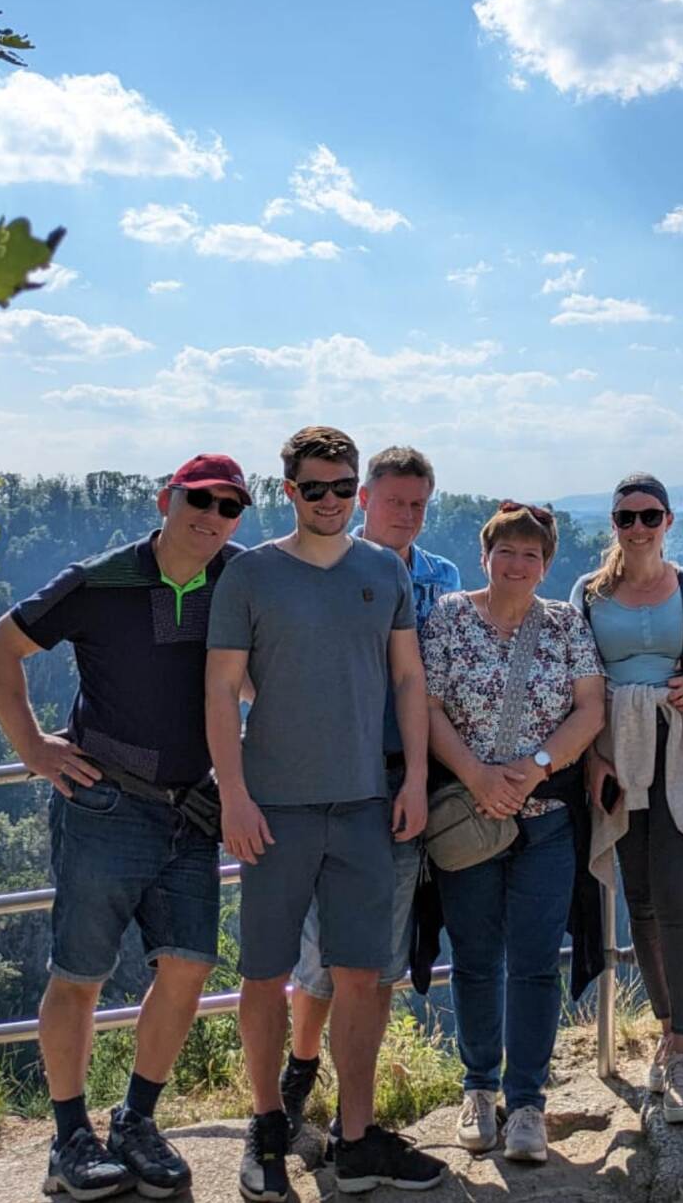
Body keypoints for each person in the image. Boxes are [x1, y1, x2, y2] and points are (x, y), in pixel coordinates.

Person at [0, 454, 251, 1200]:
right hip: (105, 802)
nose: (214, 516)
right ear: (167, 498)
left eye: (231, 507)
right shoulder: (102, 578)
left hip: (193, 807)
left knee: (189, 965)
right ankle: (69, 1139)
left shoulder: (240, 577)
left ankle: (135, 1121)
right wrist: (33, 749)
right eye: (200, 498)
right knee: (81, 974)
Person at [205, 427, 443, 1199]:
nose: (333, 501)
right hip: (273, 809)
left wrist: (412, 784)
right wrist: (234, 796)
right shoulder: (250, 577)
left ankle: (355, 1138)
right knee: (266, 975)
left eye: (344, 488)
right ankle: (269, 1125)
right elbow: (218, 692)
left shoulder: (383, 570)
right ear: (290, 493)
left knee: (361, 977)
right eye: (317, 489)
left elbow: (410, 682)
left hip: (367, 803)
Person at [280, 446, 461, 1145]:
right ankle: (300, 1075)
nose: (408, 516)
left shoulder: (441, 579)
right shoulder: (329, 568)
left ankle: (360, 1108)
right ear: (364, 502)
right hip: (329, 780)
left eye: (419, 504)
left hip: (405, 776)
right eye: (394, 503)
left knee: (382, 955)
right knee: (321, 949)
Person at [422, 501, 605, 1165]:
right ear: (485, 555)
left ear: (548, 564)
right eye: (508, 551)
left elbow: (591, 708)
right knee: (473, 958)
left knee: (532, 965)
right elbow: (429, 704)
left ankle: (527, 1101)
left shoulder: (563, 625)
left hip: (546, 817)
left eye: (532, 555)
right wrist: (477, 776)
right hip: (470, 817)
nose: (519, 564)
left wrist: (529, 771)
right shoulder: (447, 618)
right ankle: (479, 1090)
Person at [575, 473, 683, 1125]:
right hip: (615, 754)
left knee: (678, 896)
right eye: (626, 517)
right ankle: (667, 1031)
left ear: (668, 521)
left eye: (649, 515)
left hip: (679, 749)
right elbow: (571, 681)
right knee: (639, 897)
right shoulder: (587, 594)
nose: (638, 528)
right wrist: (589, 758)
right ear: (613, 524)